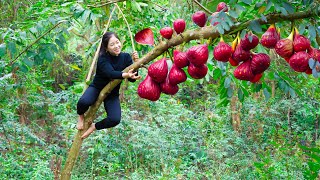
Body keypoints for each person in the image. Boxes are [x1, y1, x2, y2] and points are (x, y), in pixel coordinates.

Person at [76, 32, 141, 139]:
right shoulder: (103, 58)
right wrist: (125, 74)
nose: (116, 46)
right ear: (106, 48)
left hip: (112, 93)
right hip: (97, 88)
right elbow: (110, 73)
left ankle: (93, 127)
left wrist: (136, 64)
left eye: (117, 42)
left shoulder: (126, 57)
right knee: (83, 102)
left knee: (115, 119)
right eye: (112, 44)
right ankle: (81, 116)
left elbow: (132, 78)